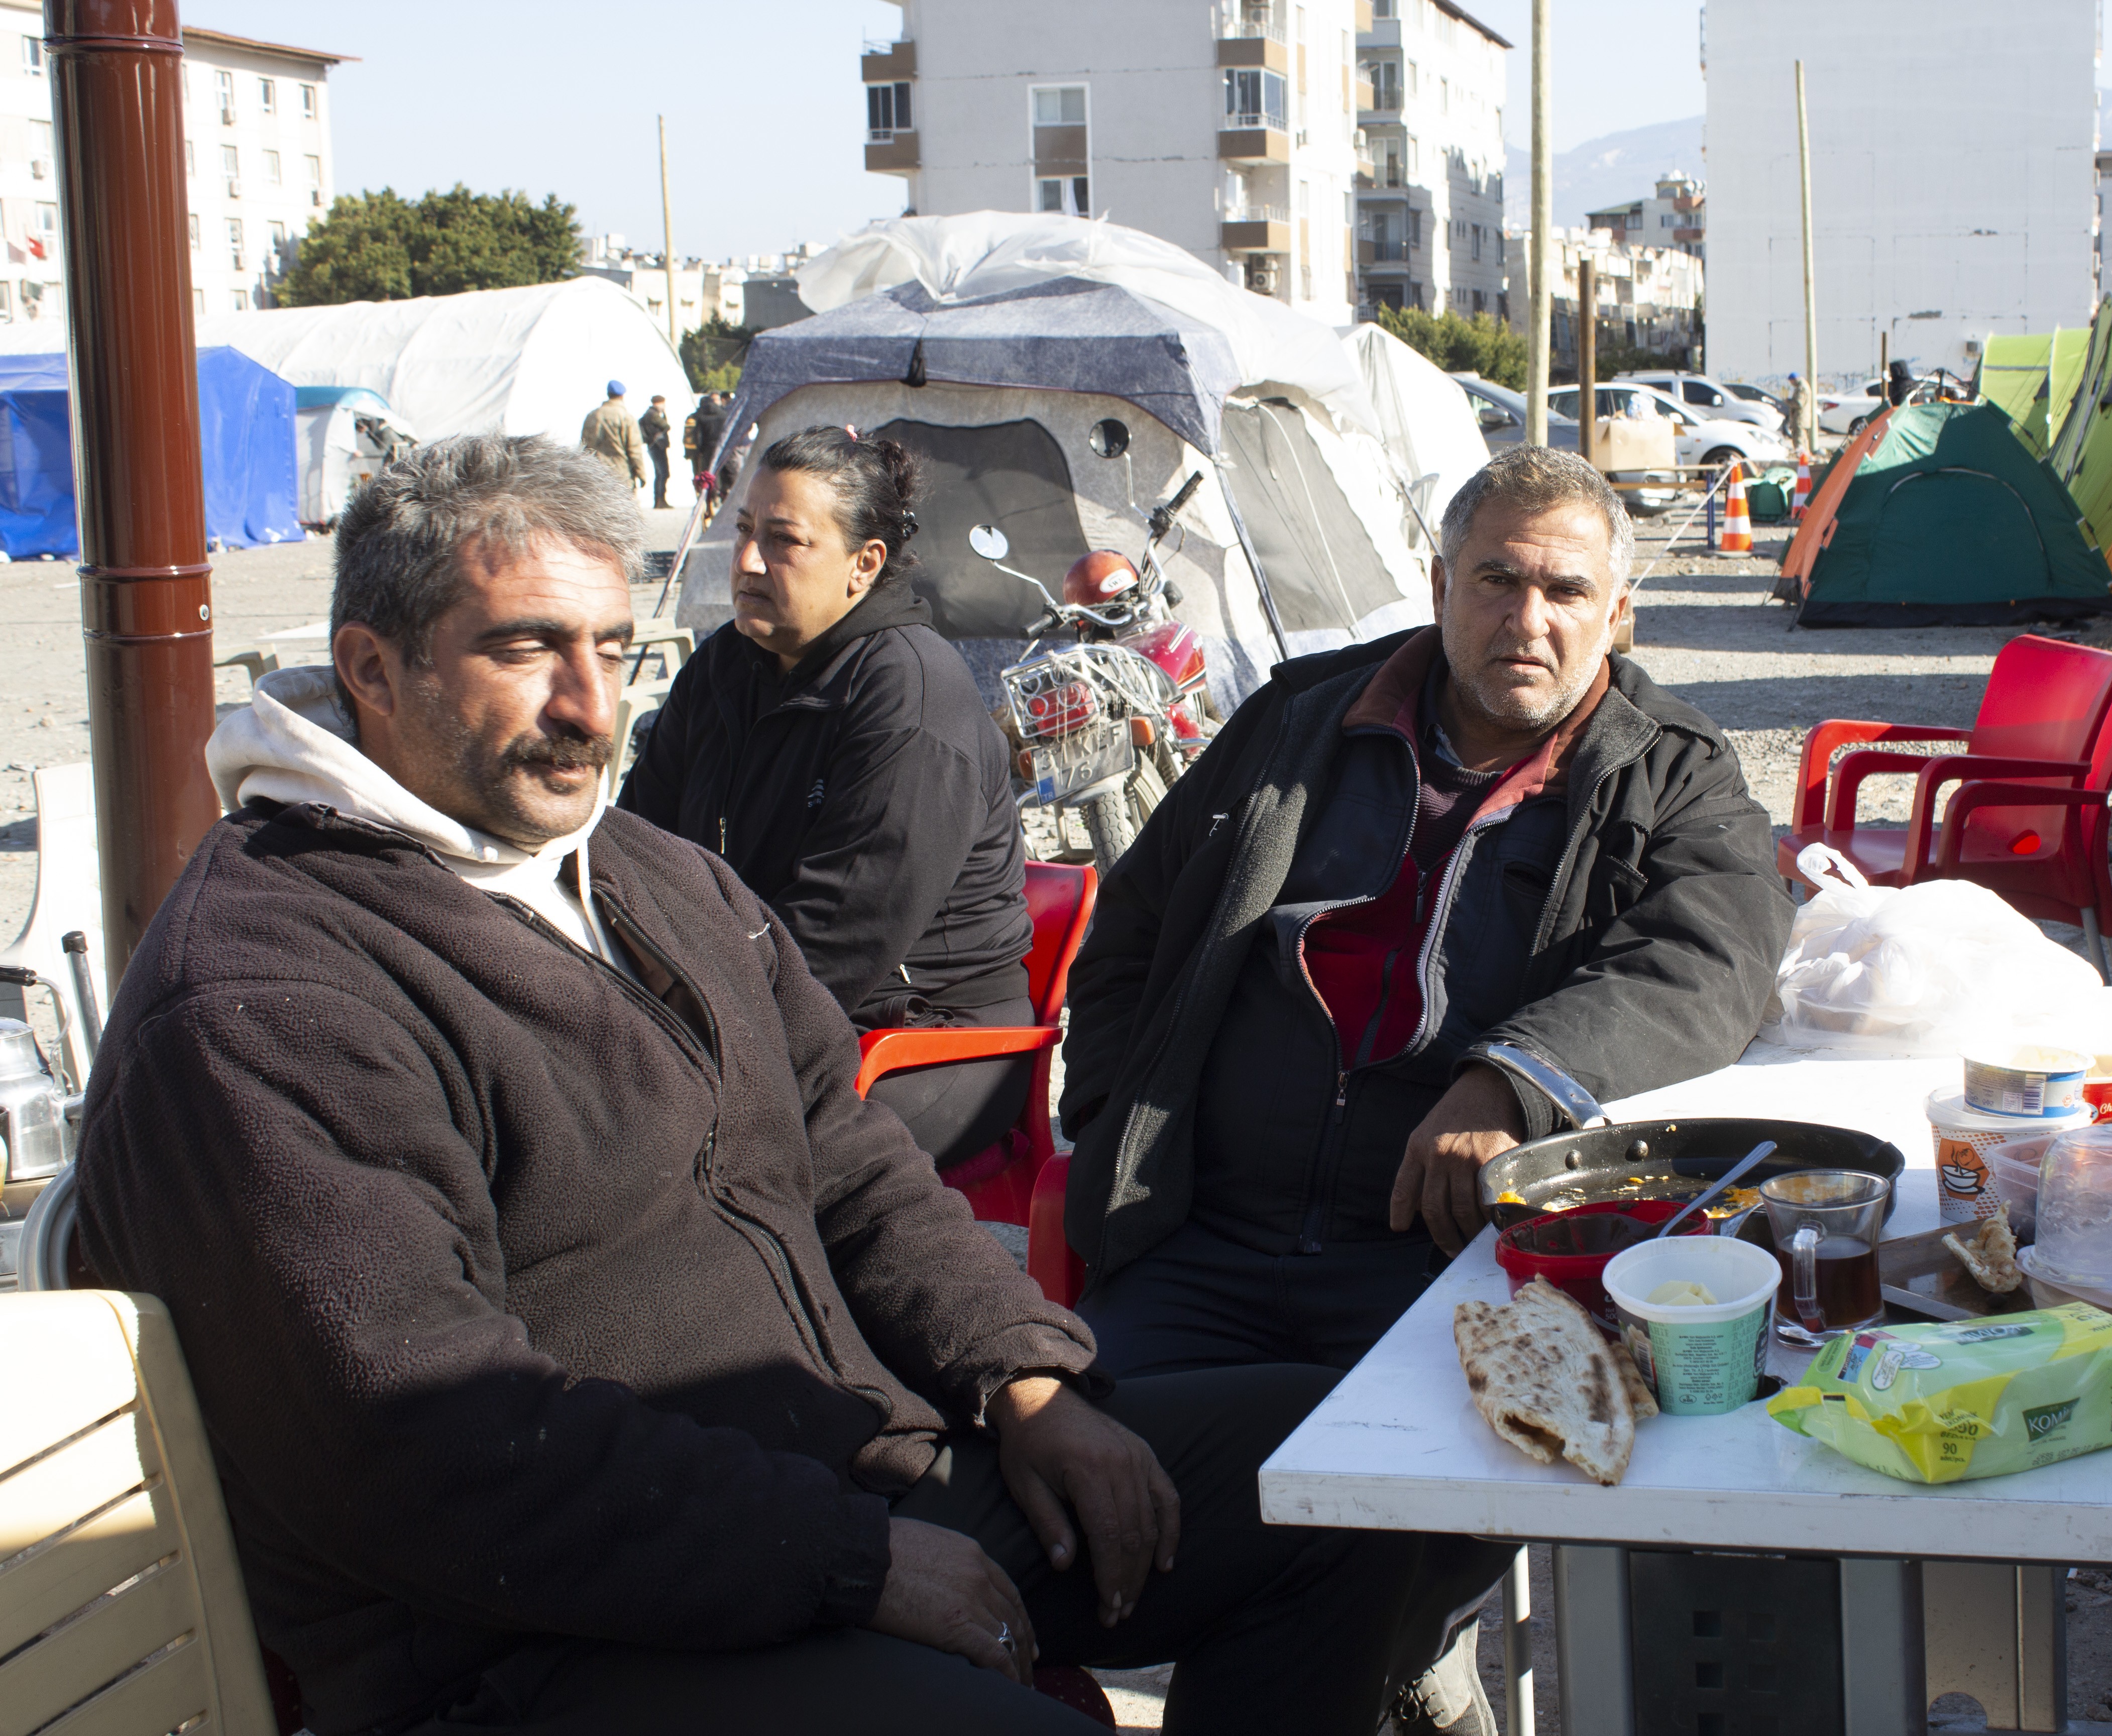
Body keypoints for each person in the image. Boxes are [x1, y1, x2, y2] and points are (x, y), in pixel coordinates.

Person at [75, 432, 1505, 1736]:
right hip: (534, 1639)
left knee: (1341, 1485)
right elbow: (433, 1442)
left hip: (840, 1481)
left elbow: (854, 1155)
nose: (590, 708)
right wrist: (850, 1568)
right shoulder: (269, 988)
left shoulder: (640, 874)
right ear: (370, 671)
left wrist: (1025, 1376)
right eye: (526, 651)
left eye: (612, 649)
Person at [1057, 444, 1790, 1733]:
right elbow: (1134, 932)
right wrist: (1113, 1126)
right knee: (1074, 1510)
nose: (1528, 617)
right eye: (1497, 578)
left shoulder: (1667, 769)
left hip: (1438, 1268)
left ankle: (1387, 1648)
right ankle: (1396, 1662)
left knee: (1358, 1527)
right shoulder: (1299, 717)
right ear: (1439, 581)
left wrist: (1513, 1078)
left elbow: (1711, 958)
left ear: (1618, 612)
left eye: (1566, 589)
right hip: (1200, 1241)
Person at [621, 428, 1034, 1172]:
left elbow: (839, 943)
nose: (747, 561)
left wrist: (675, 1021)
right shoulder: (727, 664)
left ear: (863, 564)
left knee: (669, 1158)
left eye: (785, 541)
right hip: (757, 996)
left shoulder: (910, 701)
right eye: (745, 530)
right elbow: (632, 844)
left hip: (926, 1043)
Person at [579, 378, 648, 493]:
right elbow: (634, 450)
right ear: (622, 396)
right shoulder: (626, 418)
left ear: (608, 394)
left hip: (596, 473)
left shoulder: (592, 416)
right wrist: (641, 474)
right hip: (621, 474)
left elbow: (584, 446)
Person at [640, 392, 674, 509]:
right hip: (657, 446)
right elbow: (666, 426)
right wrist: (663, 414)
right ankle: (660, 501)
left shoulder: (649, 414)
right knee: (663, 473)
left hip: (654, 446)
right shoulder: (653, 415)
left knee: (660, 473)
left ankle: (660, 500)